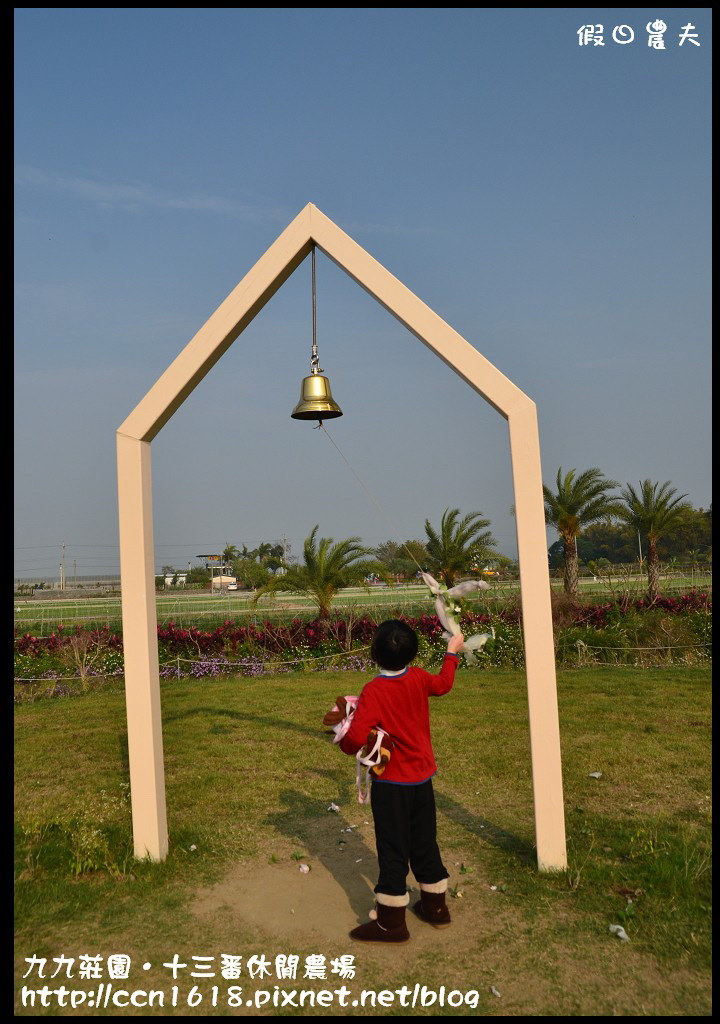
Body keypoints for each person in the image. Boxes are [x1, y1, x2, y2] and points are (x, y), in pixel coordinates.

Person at [330, 619, 464, 943]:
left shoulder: (374, 690)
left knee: (392, 849)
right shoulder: (418, 678)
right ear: (413, 653)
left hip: (391, 786)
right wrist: (452, 652)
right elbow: (444, 684)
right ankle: (436, 908)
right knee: (424, 843)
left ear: (374, 654)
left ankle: (391, 923)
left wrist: (343, 738)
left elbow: (356, 739)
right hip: (422, 781)